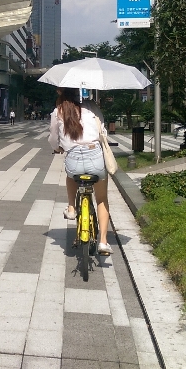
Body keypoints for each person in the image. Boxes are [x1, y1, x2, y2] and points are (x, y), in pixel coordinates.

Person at [48, 87, 112, 256]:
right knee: (102, 199)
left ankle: (71, 208)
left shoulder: (58, 111)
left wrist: (58, 148)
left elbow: (54, 138)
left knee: (70, 175)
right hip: (95, 158)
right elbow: (102, 131)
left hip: (73, 162)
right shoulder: (92, 107)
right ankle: (103, 242)